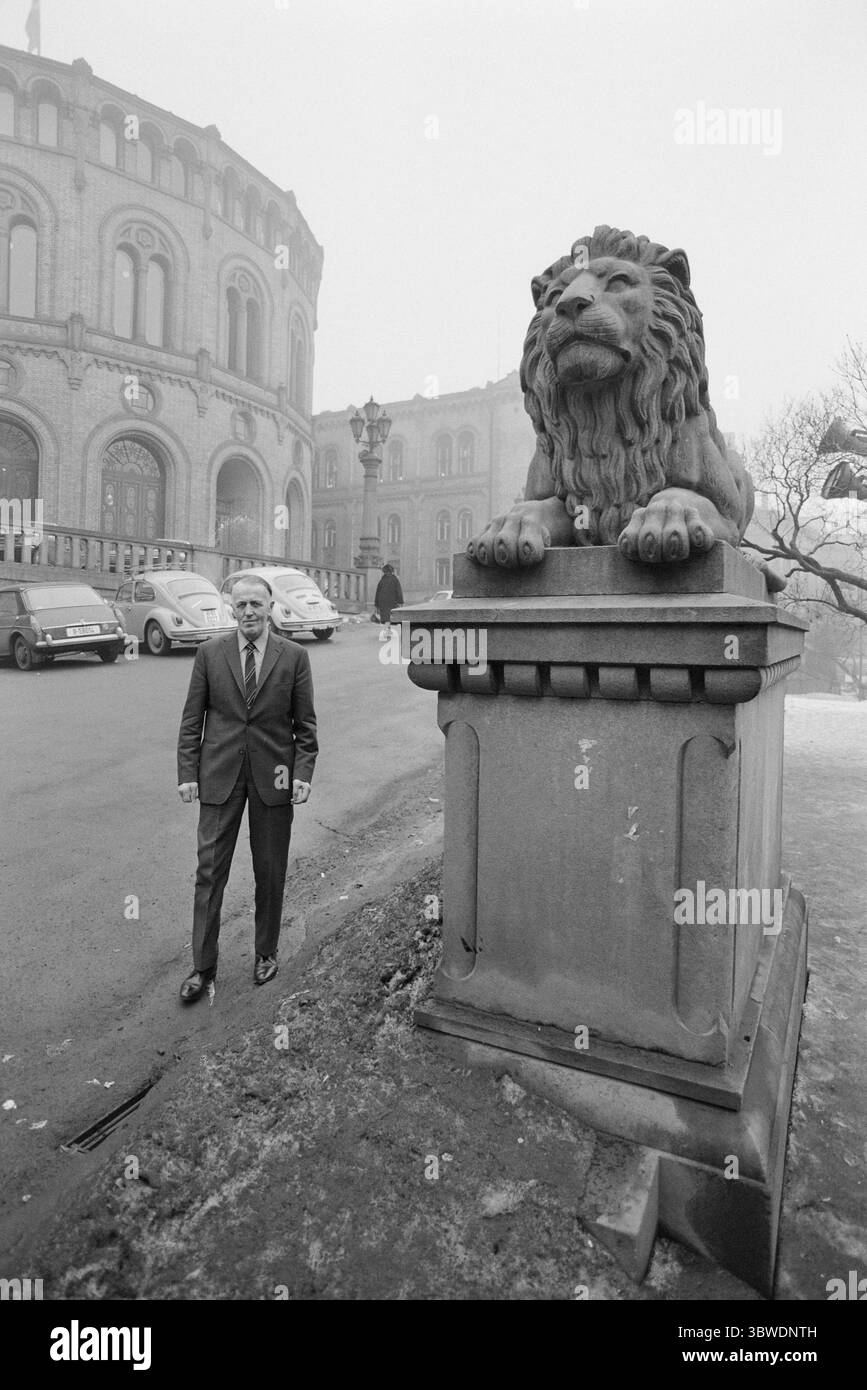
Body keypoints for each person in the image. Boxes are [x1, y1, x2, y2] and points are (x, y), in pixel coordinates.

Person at [176, 575, 318, 1001]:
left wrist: (302, 775)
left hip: (273, 780)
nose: (249, 612)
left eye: (257, 603)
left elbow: (305, 726)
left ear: (270, 605)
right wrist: (187, 773)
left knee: (269, 871)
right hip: (219, 779)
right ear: (231, 609)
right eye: (241, 605)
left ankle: (266, 953)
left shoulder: (294, 657)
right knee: (209, 873)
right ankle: (202, 967)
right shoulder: (209, 654)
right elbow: (191, 720)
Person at [373, 563, 404, 641]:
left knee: (386, 617)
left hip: (382, 602)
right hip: (392, 601)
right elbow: (399, 591)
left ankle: (387, 631)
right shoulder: (395, 580)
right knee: (389, 617)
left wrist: (376, 604)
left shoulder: (382, 580)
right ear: (392, 571)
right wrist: (400, 602)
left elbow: (378, 592)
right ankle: (386, 632)